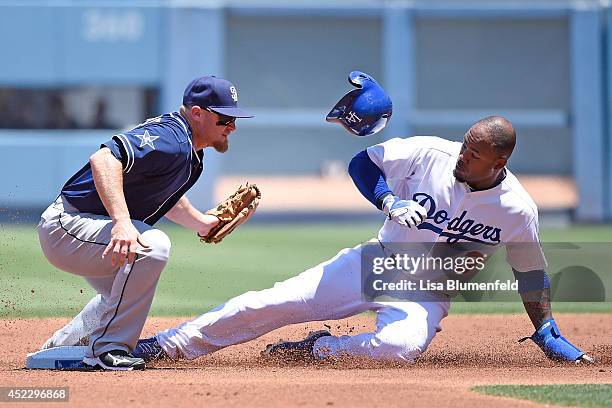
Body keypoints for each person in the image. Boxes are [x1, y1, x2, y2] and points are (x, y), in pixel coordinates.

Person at [133, 76, 592, 364]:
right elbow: (363, 163)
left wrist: (545, 327)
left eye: (475, 153)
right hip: (377, 263)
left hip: (428, 289)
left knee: (400, 350)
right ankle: (170, 345)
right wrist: (389, 201)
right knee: (266, 304)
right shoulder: (431, 153)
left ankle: (318, 348)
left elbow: (530, 270)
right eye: (465, 143)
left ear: (501, 160)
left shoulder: (517, 209)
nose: (463, 155)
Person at [37, 75, 253, 371]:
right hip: (67, 226)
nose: (233, 127)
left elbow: (168, 200)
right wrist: (122, 222)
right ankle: (108, 350)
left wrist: (203, 223)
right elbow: (104, 159)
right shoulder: (171, 138)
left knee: (125, 290)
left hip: (86, 229)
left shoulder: (190, 151)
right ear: (198, 113)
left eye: (234, 118)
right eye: (225, 118)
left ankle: (63, 346)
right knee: (152, 245)